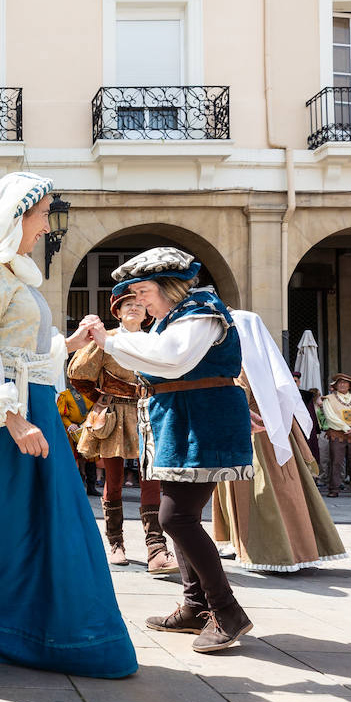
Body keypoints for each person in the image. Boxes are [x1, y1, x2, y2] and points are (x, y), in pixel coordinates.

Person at [0, 171, 137, 680]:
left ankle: (12, 629)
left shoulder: (16, 278)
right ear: (17, 217)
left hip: (32, 407)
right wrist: (12, 419)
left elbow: (30, 354)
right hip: (3, 420)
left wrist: (74, 342)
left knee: (29, 526)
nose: (44, 227)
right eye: (40, 217)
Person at [88, 246, 256, 653]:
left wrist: (109, 343)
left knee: (175, 518)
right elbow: (163, 362)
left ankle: (227, 611)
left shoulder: (200, 310)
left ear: (169, 286)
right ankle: (196, 607)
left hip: (202, 423)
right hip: (182, 421)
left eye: (144, 290)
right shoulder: (175, 318)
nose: (139, 300)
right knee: (179, 515)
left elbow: (174, 360)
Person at [210, 312, 346, 573]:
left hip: (254, 435)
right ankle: (285, 545)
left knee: (260, 490)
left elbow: (239, 394)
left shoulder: (240, 363)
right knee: (282, 489)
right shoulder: (267, 363)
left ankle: (270, 550)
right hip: (273, 434)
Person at [67, 293, 177, 574]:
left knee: (151, 479)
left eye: (139, 304)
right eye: (128, 304)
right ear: (117, 311)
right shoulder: (107, 339)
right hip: (114, 414)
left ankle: (156, 548)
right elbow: (78, 373)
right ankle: (116, 543)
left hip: (148, 412)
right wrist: (102, 398)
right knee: (113, 479)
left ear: (147, 312)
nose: (134, 307)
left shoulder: (155, 338)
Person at [321, 374, 351, 498]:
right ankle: (334, 488)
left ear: (350, 385)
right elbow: (330, 416)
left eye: (345, 382)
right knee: (336, 462)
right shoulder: (329, 399)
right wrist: (346, 428)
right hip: (337, 434)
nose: (342, 384)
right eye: (340, 382)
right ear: (336, 385)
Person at [55, 381, 96, 495]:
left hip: (86, 428)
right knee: (72, 458)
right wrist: (69, 425)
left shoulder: (92, 395)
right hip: (70, 431)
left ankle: (91, 487)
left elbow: (95, 412)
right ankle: (74, 486)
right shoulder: (65, 395)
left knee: (90, 457)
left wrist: (87, 423)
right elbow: (60, 414)